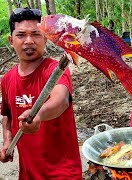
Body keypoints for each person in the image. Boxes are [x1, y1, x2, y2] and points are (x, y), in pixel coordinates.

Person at [0, 8, 82, 179]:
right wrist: (7, 141)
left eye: (36, 34)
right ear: (11, 40)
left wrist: (38, 115)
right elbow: (7, 114)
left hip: (63, 173)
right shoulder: (7, 79)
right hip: (28, 173)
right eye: (21, 35)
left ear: (45, 38)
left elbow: (61, 100)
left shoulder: (55, 70)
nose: (29, 41)